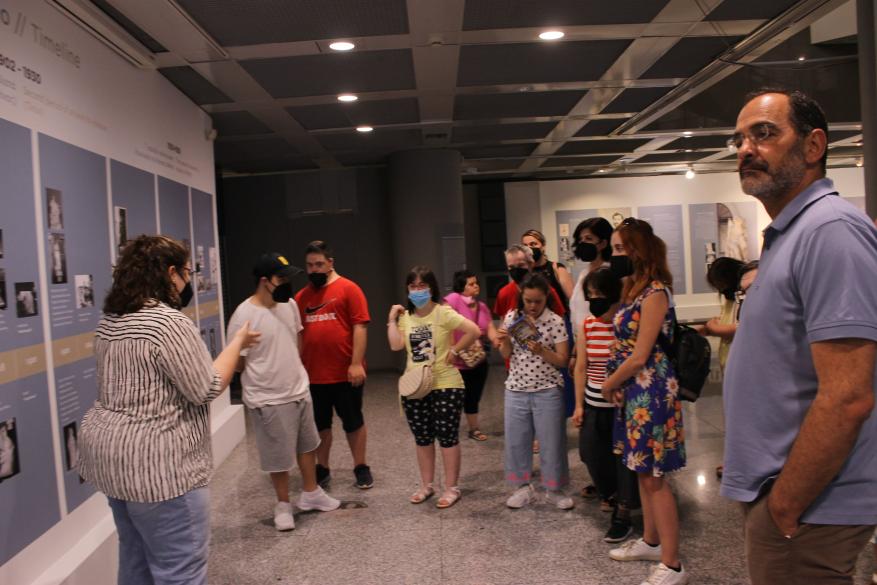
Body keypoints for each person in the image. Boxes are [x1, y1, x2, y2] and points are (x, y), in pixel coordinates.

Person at [722, 88, 877, 585]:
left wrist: (785, 504)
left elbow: (848, 395)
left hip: (811, 504)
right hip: (790, 494)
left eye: (764, 133)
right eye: (740, 139)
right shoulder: (794, 231)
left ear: (813, 146)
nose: (746, 149)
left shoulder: (830, 230)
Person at [78, 235, 261, 585]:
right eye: (188, 272)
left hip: (113, 462)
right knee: (181, 572)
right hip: (160, 469)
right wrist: (236, 344)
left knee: (135, 562)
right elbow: (205, 388)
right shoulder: (167, 323)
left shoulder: (112, 319)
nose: (188, 281)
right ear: (171, 272)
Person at [602, 218, 688, 585]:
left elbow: (640, 355)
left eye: (619, 248)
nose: (614, 255)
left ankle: (673, 564)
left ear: (637, 250)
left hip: (651, 390)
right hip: (634, 390)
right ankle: (652, 541)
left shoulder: (655, 293)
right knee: (640, 468)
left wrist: (609, 383)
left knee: (654, 476)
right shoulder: (633, 289)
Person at [228, 252, 340, 531]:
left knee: (307, 445)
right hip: (268, 397)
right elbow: (237, 363)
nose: (287, 284)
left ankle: (311, 493)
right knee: (278, 457)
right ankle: (282, 504)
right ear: (264, 281)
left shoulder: (289, 305)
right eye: (281, 278)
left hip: (298, 389)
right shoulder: (244, 315)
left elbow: (296, 339)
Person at [387, 266, 480, 509]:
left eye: (422, 286)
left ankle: (451, 488)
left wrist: (455, 350)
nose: (417, 291)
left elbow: (473, 331)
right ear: (408, 290)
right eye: (413, 286)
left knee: (447, 436)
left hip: (445, 383)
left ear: (431, 288)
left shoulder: (443, 313)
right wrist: (391, 320)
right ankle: (426, 485)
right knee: (422, 437)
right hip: (415, 385)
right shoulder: (406, 317)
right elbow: (396, 345)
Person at [295, 241, 373, 489]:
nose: (314, 270)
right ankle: (323, 467)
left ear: (330, 263)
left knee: (353, 422)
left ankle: (360, 466)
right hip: (314, 376)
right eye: (310, 265)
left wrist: (356, 363)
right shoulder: (301, 297)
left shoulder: (349, 289)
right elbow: (299, 335)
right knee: (320, 425)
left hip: (345, 374)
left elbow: (360, 327)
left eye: (319, 264)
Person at [572, 267, 639, 543]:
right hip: (593, 404)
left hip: (622, 407)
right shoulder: (587, 325)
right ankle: (611, 493)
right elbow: (581, 367)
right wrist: (578, 405)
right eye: (590, 295)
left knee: (624, 462)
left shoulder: (625, 323)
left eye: (599, 294)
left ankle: (623, 513)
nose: (594, 301)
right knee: (591, 453)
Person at [496, 274, 573, 510]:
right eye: (528, 300)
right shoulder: (513, 317)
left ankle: (554, 489)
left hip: (547, 388)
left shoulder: (555, 321)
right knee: (517, 441)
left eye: (537, 301)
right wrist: (504, 340)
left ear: (546, 298)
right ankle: (522, 487)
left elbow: (562, 360)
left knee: (552, 442)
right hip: (516, 388)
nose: (532, 305)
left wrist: (542, 351)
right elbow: (505, 354)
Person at [444, 270, 499, 441]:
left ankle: (474, 429)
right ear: (462, 287)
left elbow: (489, 327)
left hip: (477, 359)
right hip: (456, 361)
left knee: (473, 396)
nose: (476, 286)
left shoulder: (482, 306)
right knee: (453, 398)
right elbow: (445, 322)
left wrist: (496, 340)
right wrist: (452, 347)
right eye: (471, 284)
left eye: (476, 283)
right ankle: (448, 429)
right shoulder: (453, 299)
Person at [568, 217, 614, 342]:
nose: (583, 243)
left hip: (600, 342)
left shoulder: (609, 273)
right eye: (580, 239)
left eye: (588, 238)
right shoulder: (584, 273)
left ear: (603, 243)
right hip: (582, 341)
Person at [493, 244, 566, 320]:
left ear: (531, 264)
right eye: (511, 267)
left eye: (521, 265)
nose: (516, 270)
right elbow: (503, 322)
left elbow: (560, 320)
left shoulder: (547, 290)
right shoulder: (503, 293)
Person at [697, 257, 745, 371]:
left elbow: (741, 328)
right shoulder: (731, 299)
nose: (722, 291)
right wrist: (710, 328)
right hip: (729, 361)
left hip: (740, 360)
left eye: (722, 286)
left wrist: (713, 328)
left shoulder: (745, 296)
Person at [521, 229, 574, 307]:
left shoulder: (557, 268)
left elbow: (573, 299)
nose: (529, 248)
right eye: (525, 246)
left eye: (533, 244)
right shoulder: (524, 272)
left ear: (543, 246)